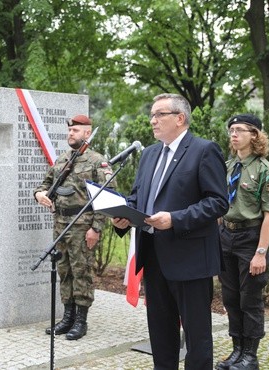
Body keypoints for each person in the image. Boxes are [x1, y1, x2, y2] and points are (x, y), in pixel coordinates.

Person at [111, 93, 229, 369]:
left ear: (180, 118)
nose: (152, 120)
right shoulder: (150, 154)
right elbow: (138, 197)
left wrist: (175, 219)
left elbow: (218, 201)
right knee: (161, 335)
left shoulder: (204, 150)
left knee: (197, 337)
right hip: (153, 256)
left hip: (190, 259)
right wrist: (124, 215)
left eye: (158, 114)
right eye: (151, 114)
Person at [33, 114, 110, 341]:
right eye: (69, 131)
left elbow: (106, 197)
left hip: (82, 224)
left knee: (81, 272)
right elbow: (44, 184)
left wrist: (96, 228)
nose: (70, 134)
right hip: (60, 225)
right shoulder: (62, 160)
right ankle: (67, 317)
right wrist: (39, 194)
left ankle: (81, 320)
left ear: (87, 133)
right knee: (64, 271)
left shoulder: (97, 161)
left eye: (75, 131)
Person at [216, 114, 269, 370]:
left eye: (239, 130)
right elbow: (221, 207)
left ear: (254, 135)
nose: (233, 134)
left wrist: (261, 253)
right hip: (226, 237)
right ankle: (237, 351)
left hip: (250, 239)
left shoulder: (266, 170)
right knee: (231, 298)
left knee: (250, 300)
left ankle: (250, 356)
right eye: (231, 130)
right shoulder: (228, 167)